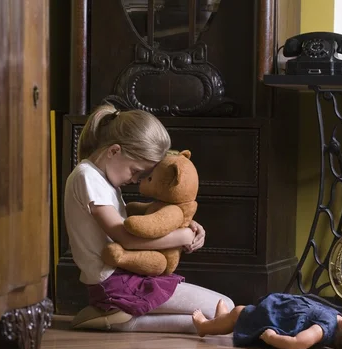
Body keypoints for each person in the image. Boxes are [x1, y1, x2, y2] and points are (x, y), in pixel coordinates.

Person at [64, 103, 235, 333]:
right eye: (135, 171)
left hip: (123, 278)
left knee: (212, 319)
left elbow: (135, 219)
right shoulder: (88, 177)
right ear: (114, 151)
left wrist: (184, 223)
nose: (135, 180)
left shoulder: (101, 179)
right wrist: (180, 236)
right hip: (116, 283)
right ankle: (117, 315)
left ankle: (118, 317)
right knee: (223, 309)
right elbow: (126, 239)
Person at [191, 293, 342, 349]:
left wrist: (273, 338)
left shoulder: (324, 329)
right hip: (279, 313)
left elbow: (298, 342)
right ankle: (222, 321)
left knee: (240, 313)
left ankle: (205, 327)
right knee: (241, 312)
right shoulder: (338, 319)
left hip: (274, 322)